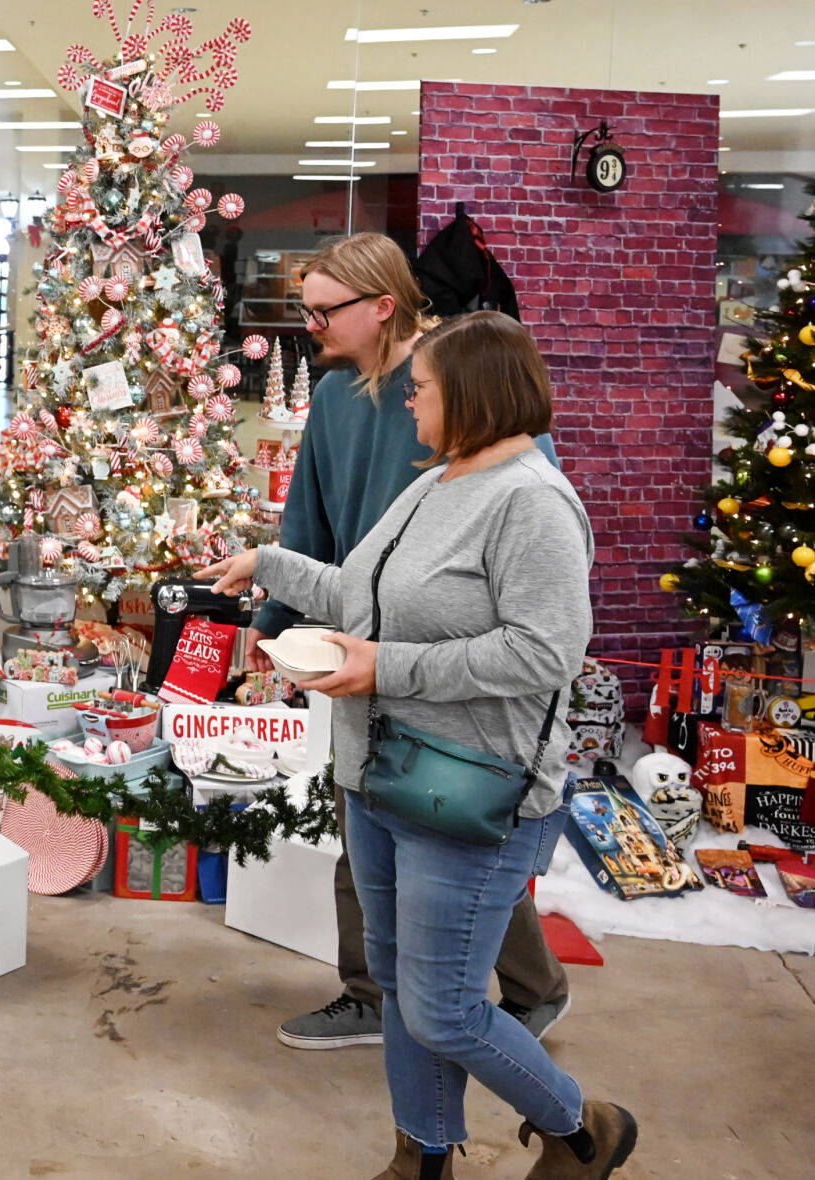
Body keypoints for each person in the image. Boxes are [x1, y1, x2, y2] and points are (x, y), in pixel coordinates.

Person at [201, 311, 635, 1180]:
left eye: (422, 389)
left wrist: (385, 669)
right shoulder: (437, 481)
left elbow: (546, 652)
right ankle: (422, 1154)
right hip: (379, 777)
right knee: (403, 990)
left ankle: (583, 1128)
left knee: (442, 1011)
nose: (409, 404)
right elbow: (363, 593)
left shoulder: (533, 502)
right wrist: (272, 564)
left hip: (469, 792)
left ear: (472, 394)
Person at [245, 233, 570, 1052]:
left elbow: (524, 494)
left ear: (383, 306)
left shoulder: (463, 382)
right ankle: (379, 995)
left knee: (454, 818)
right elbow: (309, 520)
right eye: (306, 310)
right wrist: (278, 629)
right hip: (358, 646)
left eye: (324, 310)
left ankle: (514, 992)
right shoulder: (332, 396)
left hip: (451, 656)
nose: (309, 324)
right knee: (379, 818)